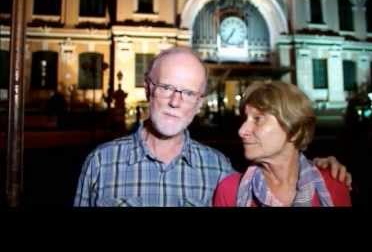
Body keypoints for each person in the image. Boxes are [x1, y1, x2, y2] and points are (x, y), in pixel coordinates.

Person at [74, 47, 351, 207]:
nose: (175, 101)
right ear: (148, 88)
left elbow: (278, 171)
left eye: (188, 93)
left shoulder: (220, 171)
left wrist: (318, 166)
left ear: (198, 103)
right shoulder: (101, 162)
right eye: (167, 87)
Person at [213, 81, 351, 207]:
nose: (242, 130)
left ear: (295, 130)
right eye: (245, 119)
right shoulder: (230, 191)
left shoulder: (334, 184)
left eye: (257, 119)